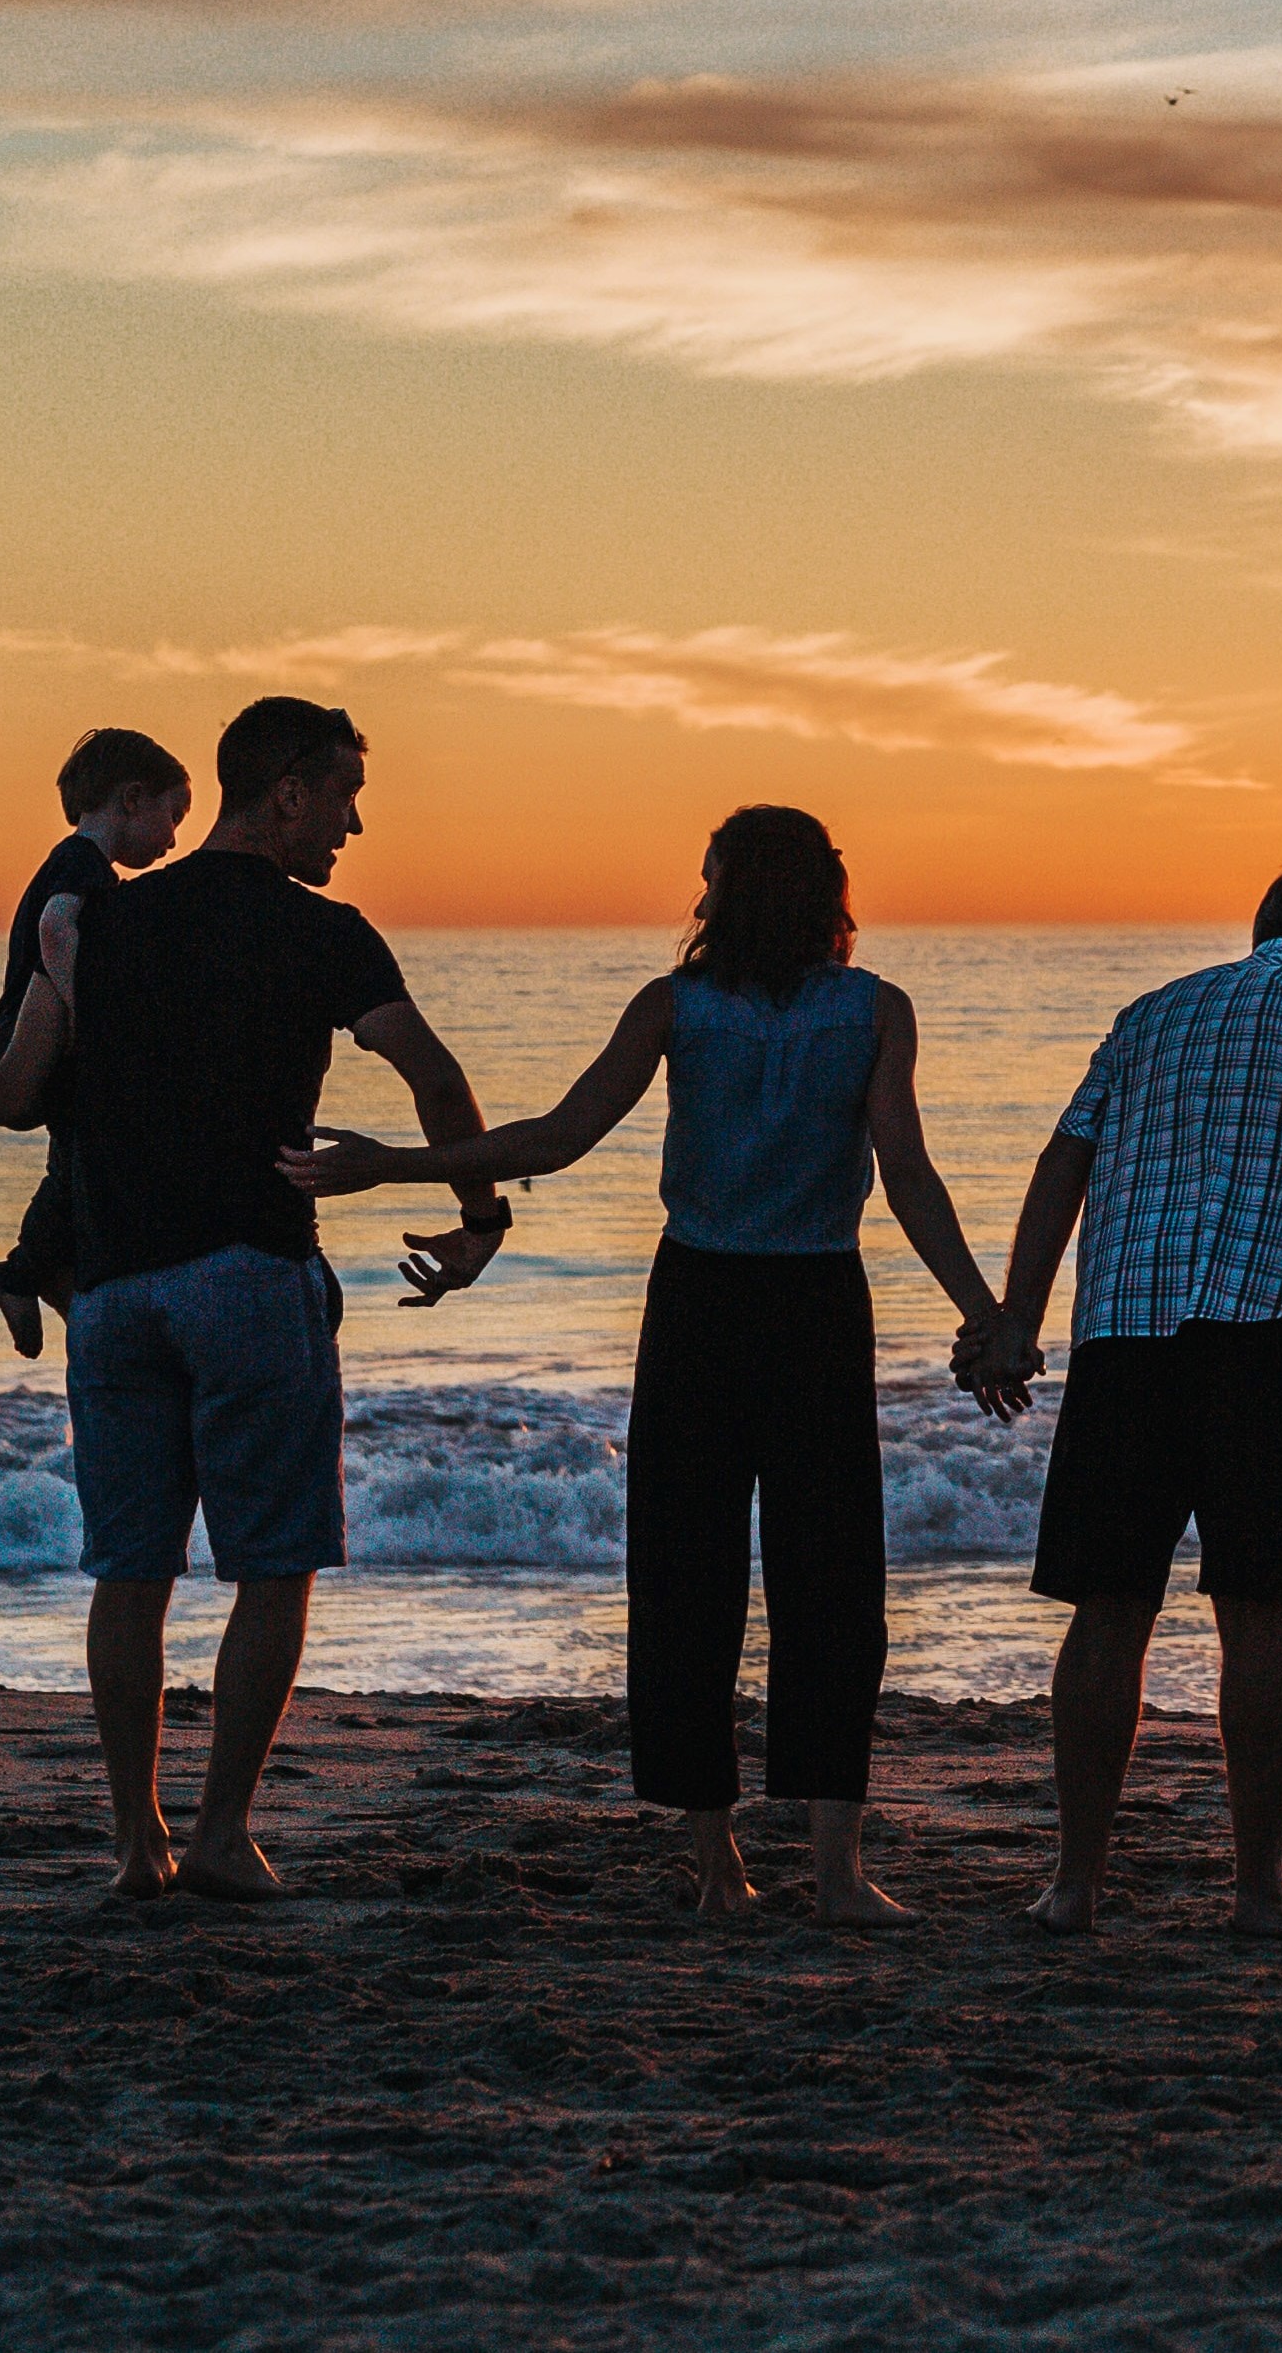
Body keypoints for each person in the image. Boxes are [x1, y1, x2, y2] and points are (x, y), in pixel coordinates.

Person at [281, 807, 1005, 1927]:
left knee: (695, 1577)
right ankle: (827, 1873)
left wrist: (400, 1164)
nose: (699, 889)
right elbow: (904, 1172)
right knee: (827, 1584)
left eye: (710, 873)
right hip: (801, 1303)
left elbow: (558, 1136)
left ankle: (732, 1865)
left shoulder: (697, 1005)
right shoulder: (858, 1008)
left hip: (717, 1304)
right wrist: (985, 1311)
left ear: (735, 889)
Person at [0, 696, 509, 1903]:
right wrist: (480, 1218)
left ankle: (136, 1844)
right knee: (273, 1564)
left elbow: (21, 1094)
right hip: (248, 1273)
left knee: (132, 1572)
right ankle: (220, 1832)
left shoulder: (99, 921)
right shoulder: (324, 932)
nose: (354, 822)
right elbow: (432, 1071)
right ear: (285, 794)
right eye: (341, 796)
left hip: (113, 1287)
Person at [971, 863, 1282, 1939]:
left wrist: (1015, 1316)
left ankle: (1074, 1883)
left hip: (1126, 1325)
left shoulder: (1151, 1009)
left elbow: (1062, 1161)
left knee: (1109, 1605)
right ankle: (1259, 1889)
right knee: (1258, 1605)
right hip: (1270, 1319)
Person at [0, 728, 194, 1357]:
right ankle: (22, 1274)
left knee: (78, 1161)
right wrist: (96, 1012)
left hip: (50, 1043)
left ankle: (49, 1275)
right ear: (133, 800)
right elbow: (56, 930)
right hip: (44, 1045)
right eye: (172, 815)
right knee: (78, 1162)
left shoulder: (77, 865)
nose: (173, 839)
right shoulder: (82, 867)